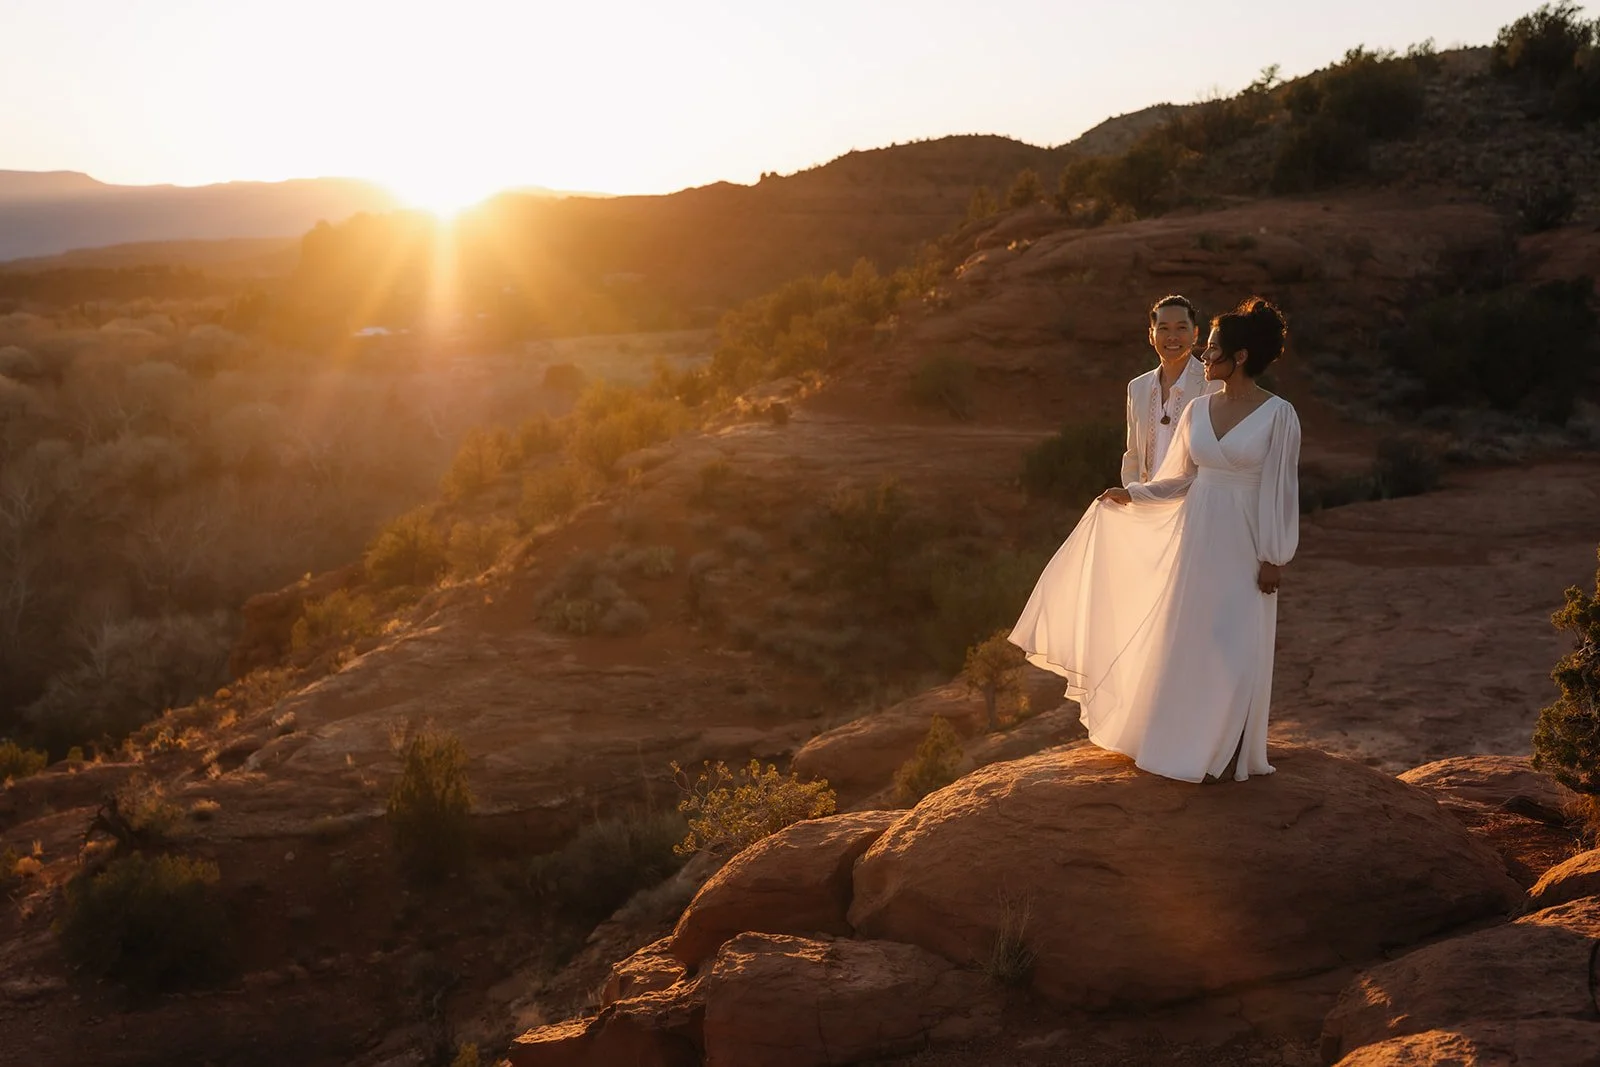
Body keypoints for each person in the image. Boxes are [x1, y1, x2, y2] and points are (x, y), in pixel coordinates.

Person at [1009, 297, 1301, 784]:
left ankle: (1228, 747)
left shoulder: (1279, 415)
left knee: (1236, 642)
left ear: (1242, 356)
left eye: (1211, 350)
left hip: (1246, 541)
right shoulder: (1199, 411)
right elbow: (1181, 479)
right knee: (1189, 638)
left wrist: (1274, 556)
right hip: (1197, 535)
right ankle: (1181, 741)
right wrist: (1133, 495)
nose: (1203, 358)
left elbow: (1281, 493)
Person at [1122, 294, 1219, 486]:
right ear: (1151, 335)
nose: (1172, 337)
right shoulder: (1137, 387)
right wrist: (1134, 496)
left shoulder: (1214, 384)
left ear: (1196, 334)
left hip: (1191, 505)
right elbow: (1133, 455)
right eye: (1164, 328)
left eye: (1181, 328)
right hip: (1147, 506)